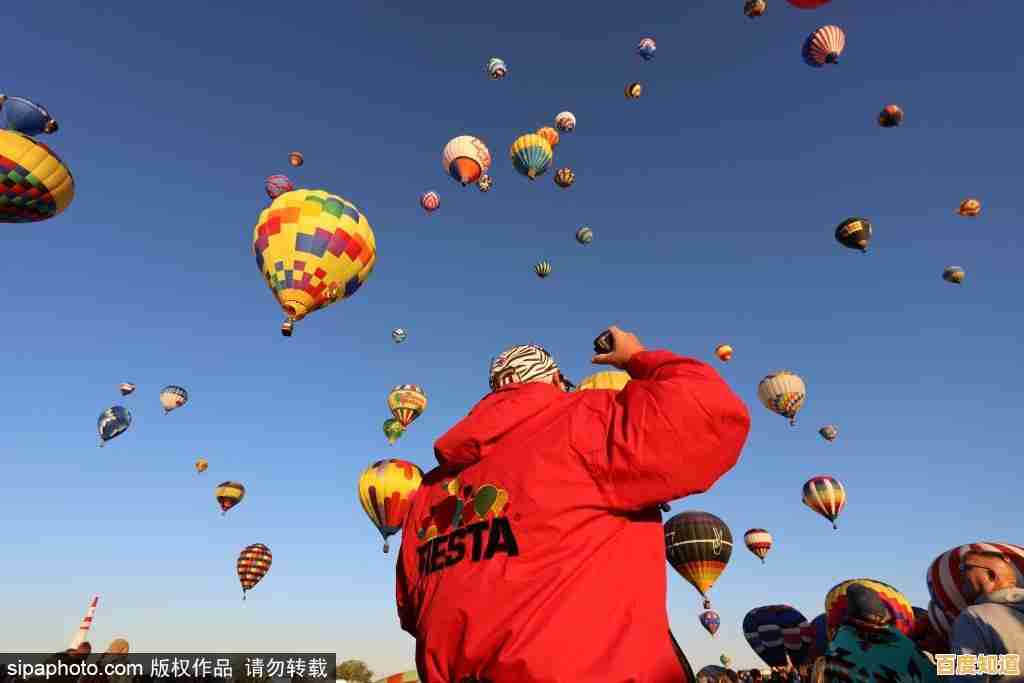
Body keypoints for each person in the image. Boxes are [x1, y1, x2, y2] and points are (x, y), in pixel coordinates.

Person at [396, 326, 751, 682]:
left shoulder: (430, 488)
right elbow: (712, 414)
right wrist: (636, 356)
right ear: (554, 379)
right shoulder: (584, 421)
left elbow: (412, 610)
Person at [950, 549, 1024, 682]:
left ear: (991, 575)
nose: (959, 575)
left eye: (965, 568)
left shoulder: (973, 617)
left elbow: (967, 679)